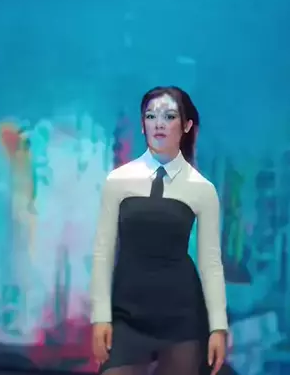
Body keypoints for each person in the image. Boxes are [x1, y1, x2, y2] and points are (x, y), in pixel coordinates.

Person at [90, 86, 228, 375]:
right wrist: (100, 316)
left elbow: (210, 263)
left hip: (182, 315)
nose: (159, 124)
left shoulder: (202, 188)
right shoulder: (118, 180)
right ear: (142, 125)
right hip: (127, 313)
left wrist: (218, 327)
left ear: (186, 126)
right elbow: (103, 252)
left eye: (169, 116)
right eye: (151, 116)